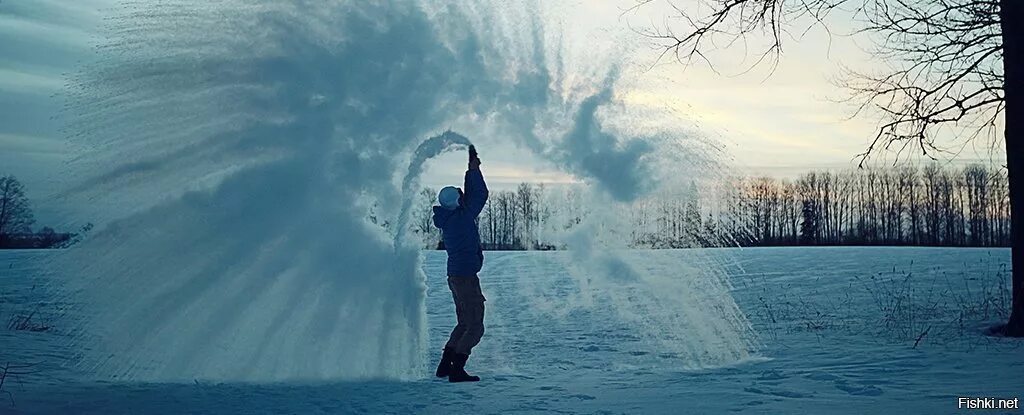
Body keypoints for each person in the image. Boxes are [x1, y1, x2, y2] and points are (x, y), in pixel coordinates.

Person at [432, 145, 488, 383]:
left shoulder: (451, 218)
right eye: (459, 194)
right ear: (457, 202)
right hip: (465, 277)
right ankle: (457, 369)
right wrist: (473, 170)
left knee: (464, 322)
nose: (463, 195)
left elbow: (470, 197)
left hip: (456, 276)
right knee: (475, 326)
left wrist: (470, 169)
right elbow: (479, 195)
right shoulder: (462, 219)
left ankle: (445, 365)